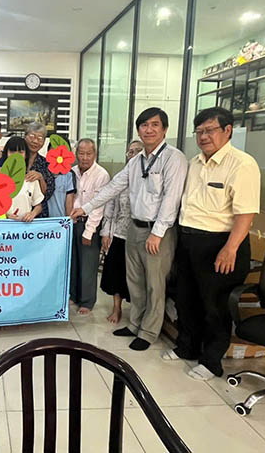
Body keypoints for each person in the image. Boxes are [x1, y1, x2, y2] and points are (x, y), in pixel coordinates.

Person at [71, 107, 188, 350]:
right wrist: (86, 208)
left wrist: (157, 233)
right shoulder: (136, 161)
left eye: (155, 125)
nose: (149, 130)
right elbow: (114, 187)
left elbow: (171, 199)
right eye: (144, 125)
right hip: (134, 227)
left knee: (154, 283)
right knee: (134, 280)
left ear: (165, 129)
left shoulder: (174, 158)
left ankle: (149, 332)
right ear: (138, 130)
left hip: (158, 231)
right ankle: (135, 324)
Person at [161, 107, 260, 381]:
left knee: (215, 305)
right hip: (188, 240)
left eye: (210, 130)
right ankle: (187, 347)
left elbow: (246, 213)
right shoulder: (194, 163)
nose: (204, 136)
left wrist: (231, 248)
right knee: (186, 298)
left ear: (227, 130)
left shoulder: (242, 164)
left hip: (220, 243)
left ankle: (211, 360)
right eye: (199, 131)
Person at [100, 140, 144, 324]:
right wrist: (106, 232)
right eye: (130, 152)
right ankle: (116, 308)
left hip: (142, 234)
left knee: (138, 276)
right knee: (116, 272)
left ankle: (137, 312)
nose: (133, 155)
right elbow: (110, 207)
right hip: (119, 233)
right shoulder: (120, 177)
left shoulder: (148, 177)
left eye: (137, 151)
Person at [69, 139, 109, 315]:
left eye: (89, 154)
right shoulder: (72, 171)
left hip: (90, 223)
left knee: (88, 265)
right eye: (81, 153)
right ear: (76, 154)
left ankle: (87, 301)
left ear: (95, 154)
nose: (84, 157)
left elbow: (99, 205)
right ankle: (74, 295)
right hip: (73, 222)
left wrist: (89, 231)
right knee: (73, 262)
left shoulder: (101, 174)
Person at [3, 137, 44, 222]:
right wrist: (5, 216)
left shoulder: (31, 178)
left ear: (26, 155)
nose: (16, 155)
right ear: (6, 153)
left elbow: (38, 205)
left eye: (20, 152)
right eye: (12, 151)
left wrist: (32, 214)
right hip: (3, 226)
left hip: (25, 226)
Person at [25, 122, 55, 217]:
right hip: (17, 213)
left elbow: (48, 194)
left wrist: (40, 178)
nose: (35, 141)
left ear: (43, 142)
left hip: (39, 215)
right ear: (25, 137)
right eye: (32, 136)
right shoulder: (15, 160)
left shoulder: (46, 164)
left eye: (40, 138)